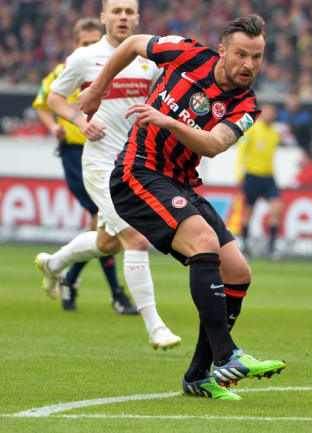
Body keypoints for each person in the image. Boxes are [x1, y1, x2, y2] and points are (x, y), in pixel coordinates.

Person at [77, 14, 286, 401]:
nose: (249, 65)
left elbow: (212, 144)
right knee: (203, 241)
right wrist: (96, 91)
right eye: (241, 54)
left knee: (238, 273)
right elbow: (132, 44)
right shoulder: (187, 52)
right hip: (136, 171)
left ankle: (197, 375)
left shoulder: (246, 104)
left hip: (181, 182)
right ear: (222, 51)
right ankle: (226, 356)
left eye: (257, 57)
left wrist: (166, 121)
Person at [35, 0, 180, 349]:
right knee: (135, 239)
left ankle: (53, 264)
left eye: (129, 12)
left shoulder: (149, 58)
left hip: (136, 163)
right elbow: (54, 98)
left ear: (138, 18)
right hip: (100, 165)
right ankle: (155, 327)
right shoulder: (86, 57)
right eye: (116, 11)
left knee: (107, 243)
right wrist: (80, 122)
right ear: (103, 17)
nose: (123, 17)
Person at [32, 17, 136, 314]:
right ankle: (115, 292)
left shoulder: (111, 67)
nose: (91, 47)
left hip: (107, 152)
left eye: (95, 42)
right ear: (76, 45)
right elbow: (43, 104)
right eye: (85, 43)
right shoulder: (65, 70)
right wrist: (55, 128)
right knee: (104, 219)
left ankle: (68, 276)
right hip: (77, 154)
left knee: (104, 228)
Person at [236, 103, 283, 259]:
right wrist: (239, 175)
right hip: (252, 175)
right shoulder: (253, 130)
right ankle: (244, 245)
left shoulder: (275, 134)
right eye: (267, 112)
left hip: (269, 176)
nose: (269, 115)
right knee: (249, 210)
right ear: (262, 113)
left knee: (277, 207)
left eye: (272, 112)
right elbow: (242, 151)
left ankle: (271, 246)